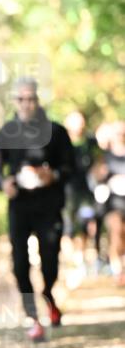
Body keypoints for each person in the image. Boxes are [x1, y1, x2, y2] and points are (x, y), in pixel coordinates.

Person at [0, 78, 75, 341]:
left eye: (31, 99)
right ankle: (33, 318)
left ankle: (48, 294)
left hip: (49, 206)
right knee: (19, 263)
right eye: (21, 99)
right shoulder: (5, 132)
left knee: (50, 261)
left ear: (38, 100)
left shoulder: (56, 132)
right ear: (15, 102)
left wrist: (54, 175)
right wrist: (4, 183)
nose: (27, 104)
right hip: (19, 207)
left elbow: (71, 168)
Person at [62, 110, 102, 276]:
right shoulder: (61, 142)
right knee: (68, 226)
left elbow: (100, 160)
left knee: (87, 222)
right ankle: (71, 261)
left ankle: (82, 258)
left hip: (86, 188)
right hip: (67, 188)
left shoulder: (90, 141)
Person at [91, 121, 125, 286]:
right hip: (113, 203)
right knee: (116, 231)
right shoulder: (105, 156)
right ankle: (117, 270)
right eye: (118, 133)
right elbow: (95, 176)